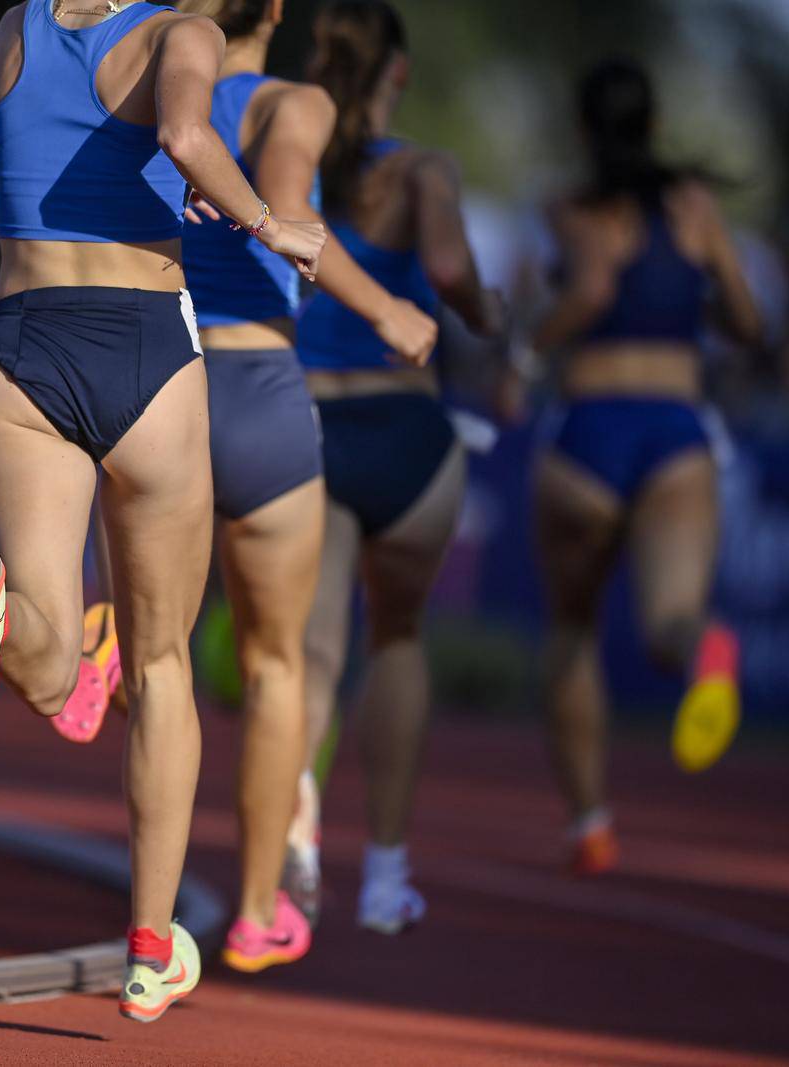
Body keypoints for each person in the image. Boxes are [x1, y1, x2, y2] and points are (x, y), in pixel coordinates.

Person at [0, 0, 324, 1022]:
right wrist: (269, 223)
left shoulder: (9, 34)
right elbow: (191, 137)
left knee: (55, 670)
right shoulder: (178, 33)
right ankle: (150, 947)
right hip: (145, 346)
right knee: (157, 664)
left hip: (20, 343)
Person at [164, 0, 439, 971]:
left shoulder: (154, 82)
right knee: (283, 667)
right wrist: (385, 306)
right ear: (272, 13)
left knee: (156, 661)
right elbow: (288, 215)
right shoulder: (298, 101)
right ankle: (250, 911)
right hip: (262, 387)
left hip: (167, 377)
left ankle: (150, 926)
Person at [283, 0, 504, 936]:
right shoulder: (423, 170)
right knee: (399, 640)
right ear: (398, 75)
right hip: (407, 429)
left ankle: (294, 833)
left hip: (311, 422)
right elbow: (451, 270)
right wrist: (488, 318)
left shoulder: (285, 150)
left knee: (312, 651)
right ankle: (383, 878)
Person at [530, 58, 760, 875]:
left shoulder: (573, 208)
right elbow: (745, 318)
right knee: (669, 623)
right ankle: (709, 649)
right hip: (675, 428)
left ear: (586, 131)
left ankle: (589, 822)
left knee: (573, 627)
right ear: (655, 127)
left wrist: (527, 349)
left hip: (590, 428)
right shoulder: (695, 211)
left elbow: (590, 290)